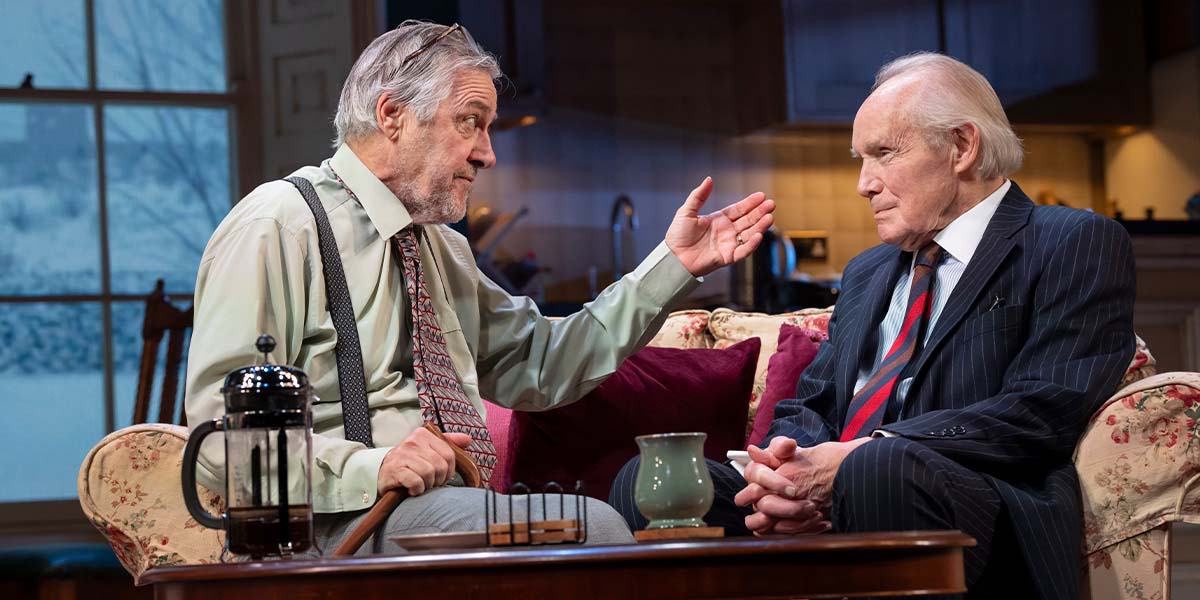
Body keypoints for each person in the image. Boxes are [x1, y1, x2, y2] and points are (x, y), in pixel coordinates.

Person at [184, 20, 775, 553]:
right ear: (392, 115)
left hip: (446, 506)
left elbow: (541, 364)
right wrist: (372, 466)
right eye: (469, 122)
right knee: (591, 530)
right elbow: (219, 443)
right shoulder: (280, 225)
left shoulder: (439, 247)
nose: (488, 154)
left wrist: (674, 265)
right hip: (338, 521)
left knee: (598, 529)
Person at [611, 52, 1135, 599]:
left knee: (878, 469)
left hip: (973, 504)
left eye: (883, 154)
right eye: (861, 159)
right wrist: (786, 478)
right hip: (838, 497)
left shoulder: (1071, 241)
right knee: (650, 482)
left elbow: (1045, 406)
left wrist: (857, 458)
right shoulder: (868, 270)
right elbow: (811, 402)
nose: (864, 184)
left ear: (962, 146)